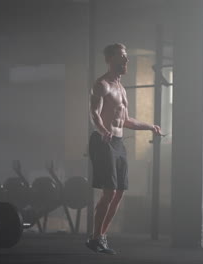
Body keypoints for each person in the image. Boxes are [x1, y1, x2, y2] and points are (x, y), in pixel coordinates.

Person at [86, 43, 163, 255]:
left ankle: (100, 237)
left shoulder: (121, 88)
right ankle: (95, 237)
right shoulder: (101, 85)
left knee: (119, 193)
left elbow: (126, 120)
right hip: (103, 142)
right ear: (110, 60)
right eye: (122, 57)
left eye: (127, 57)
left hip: (119, 143)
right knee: (109, 193)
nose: (126, 60)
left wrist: (150, 126)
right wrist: (103, 130)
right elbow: (94, 114)